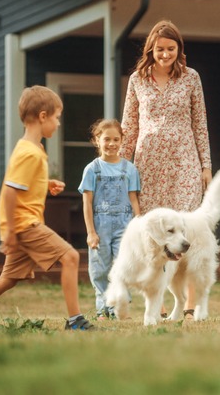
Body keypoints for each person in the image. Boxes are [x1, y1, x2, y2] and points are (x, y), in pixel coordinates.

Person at [0, 85, 93, 331]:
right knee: (70, 256)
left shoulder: (32, 149)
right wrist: (10, 232)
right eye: (57, 117)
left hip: (22, 225)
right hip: (25, 225)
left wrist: (45, 184)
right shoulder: (30, 152)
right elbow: (8, 192)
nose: (58, 124)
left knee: (8, 279)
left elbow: (23, 183)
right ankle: (75, 320)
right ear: (43, 116)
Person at [119, 20, 212, 319]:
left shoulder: (191, 78)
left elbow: (200, 123)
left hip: (184, 161)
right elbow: (128, 126)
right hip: (148, 164)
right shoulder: (137, 80)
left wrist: (206, 165)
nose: (165, 54)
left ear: (179, 50)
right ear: (151, 49)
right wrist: (122, 167)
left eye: (171, 49)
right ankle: (156, 301)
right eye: (160, 49)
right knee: (156, 235)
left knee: (190, 230)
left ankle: (190, 303)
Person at [79, 119, 141, 320]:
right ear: (97, 140)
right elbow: (87, 203)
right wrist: (90, 232)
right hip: (100, 225)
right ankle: (102, 309)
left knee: (123, 266)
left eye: (116, 139)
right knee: (100, 267)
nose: (112, 144)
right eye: (107, 139)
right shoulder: (92, 169)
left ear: (122, 141)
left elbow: (133, 199)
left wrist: (138, 226)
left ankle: (119, 308)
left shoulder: (130, 169)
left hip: (125, 225)